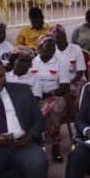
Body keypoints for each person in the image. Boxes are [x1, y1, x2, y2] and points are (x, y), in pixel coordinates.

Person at [33, 34, 72, 162]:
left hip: (56, 96)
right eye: (48, 46)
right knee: (34, 109)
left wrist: (47, 95)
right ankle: (42, 144)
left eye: (53, 46)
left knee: (52, 109)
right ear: (39, 49)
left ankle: (54, 146)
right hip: (35, 97)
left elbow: (65, 87)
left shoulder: (61, 62)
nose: (52, 49)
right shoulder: (32, 62)